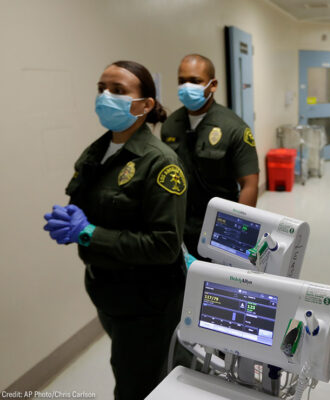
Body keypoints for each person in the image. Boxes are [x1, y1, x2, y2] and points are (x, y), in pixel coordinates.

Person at [43, 61, 187, 400]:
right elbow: (91, 205)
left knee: (135, 386)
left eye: (118, 91)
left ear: (146, 104)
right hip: (108, 292)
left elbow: (165, 245)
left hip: (146, 302)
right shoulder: (98, 149)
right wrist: (72, 221)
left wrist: (90, 233)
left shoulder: (161, 163)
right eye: (102, 89)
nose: (106, 97)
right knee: (133, 369)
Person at [161, 54, 259, 259]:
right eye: (182, 81)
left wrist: (236, 236)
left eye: (195, 81)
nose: (187, 87)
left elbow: (249, 183)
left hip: (219, 226)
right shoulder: (171, 124)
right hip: (180, 226)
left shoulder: (234, 127)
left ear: (212, 85)